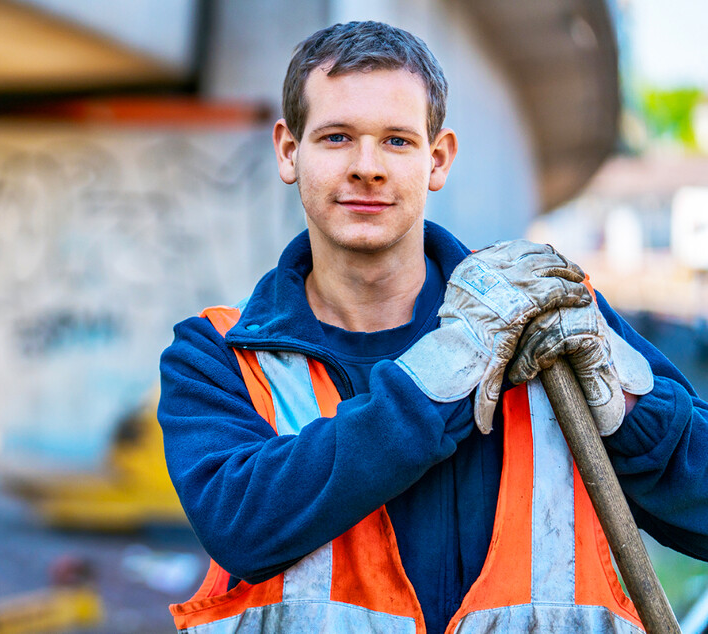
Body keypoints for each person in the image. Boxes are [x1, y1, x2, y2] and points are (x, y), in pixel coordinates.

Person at [158, 20, 708, 633]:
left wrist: (633, 404)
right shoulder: (218, 356)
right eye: (337, 137)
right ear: (290, 151)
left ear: (437, 159)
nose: (367, 167)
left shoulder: (552, 317)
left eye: (396, 141)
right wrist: (454, 364)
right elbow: (244, 526)